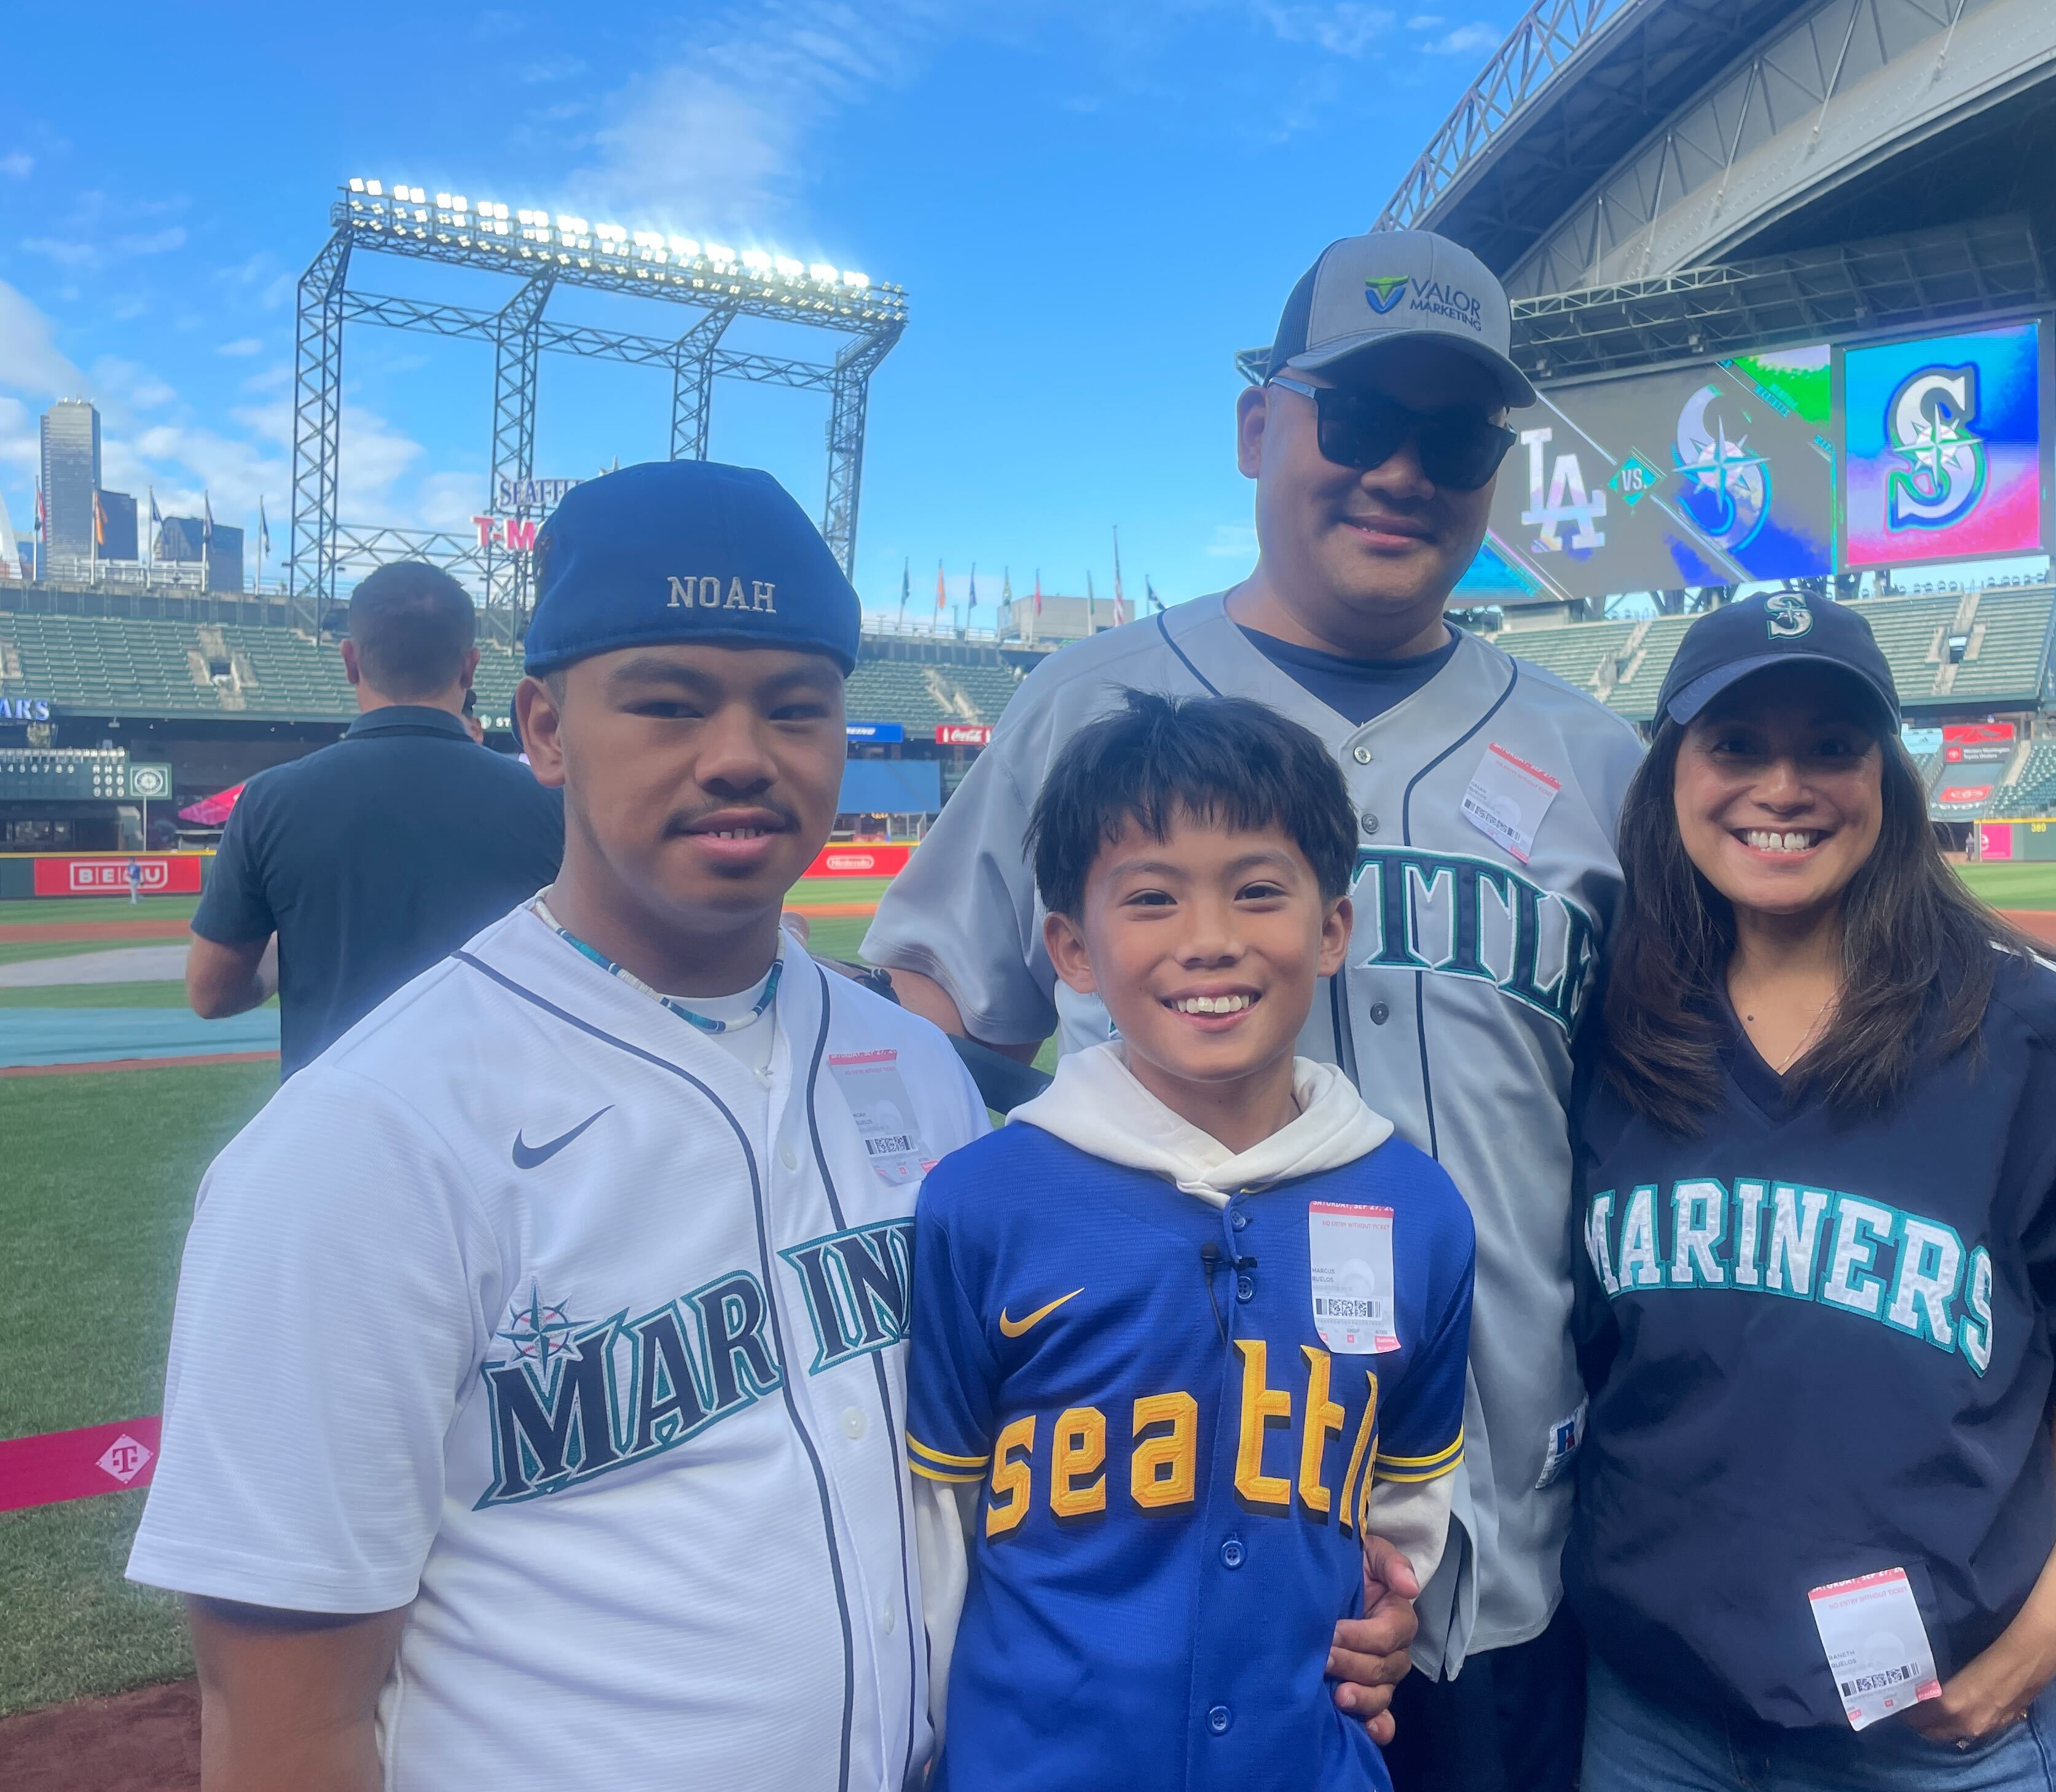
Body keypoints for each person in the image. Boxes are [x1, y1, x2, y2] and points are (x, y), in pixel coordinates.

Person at [128, 462, 1408, 1791]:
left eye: (796, 706)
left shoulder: (915, 1070)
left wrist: (1326, 1585)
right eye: (669, 702)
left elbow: (1056, 1462)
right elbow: (283, 1721)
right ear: (546, 730)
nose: (741, 753)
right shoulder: (361, 1141)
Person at [865, 230, 1644, 1791]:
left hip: (1498, 1538)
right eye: (1357, 419)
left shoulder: (1596, 758)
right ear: (1256, 429)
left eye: (1455, 440)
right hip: (1134, 1577)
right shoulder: (1084, 702)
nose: (1402, 471)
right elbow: (934, 1012)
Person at [1564, 592, 2056, 1791]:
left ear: (1886, 778)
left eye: (1830, 745)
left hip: (1941, 1728)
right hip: (1655, 1716)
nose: (1782, 785)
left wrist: (2052, 1620)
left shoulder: (2024, 1024)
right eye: (1735, 743)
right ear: (1672, 772)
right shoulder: (1615, 1027)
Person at [907, 690, 1476, 1789]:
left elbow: (1404, 1499)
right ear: (1071, 946)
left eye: (1258, 890)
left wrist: (1386, 1615)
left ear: (1331, 929)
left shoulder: (1419, 1207)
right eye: (1152, 897)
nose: (1209, 940)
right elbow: (934, 1527)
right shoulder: (981, 1201)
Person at [185, 559, 563, 1076]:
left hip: (338, 1111)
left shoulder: (270, 800)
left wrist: (288, 953)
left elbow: (211, 993)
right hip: (505, 1107)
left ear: (350, 660)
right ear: (469, 667)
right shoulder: (551, 799)